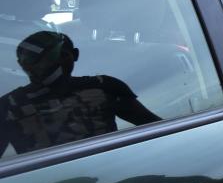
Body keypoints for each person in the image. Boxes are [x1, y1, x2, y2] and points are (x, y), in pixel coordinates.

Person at [0, 31, 161, 157]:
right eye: (37, 60)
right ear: (22, 65)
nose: (50, 65)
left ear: (75, 54)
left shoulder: (107, 88)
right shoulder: (7, 106)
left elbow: (155, 129)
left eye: (60, 56)